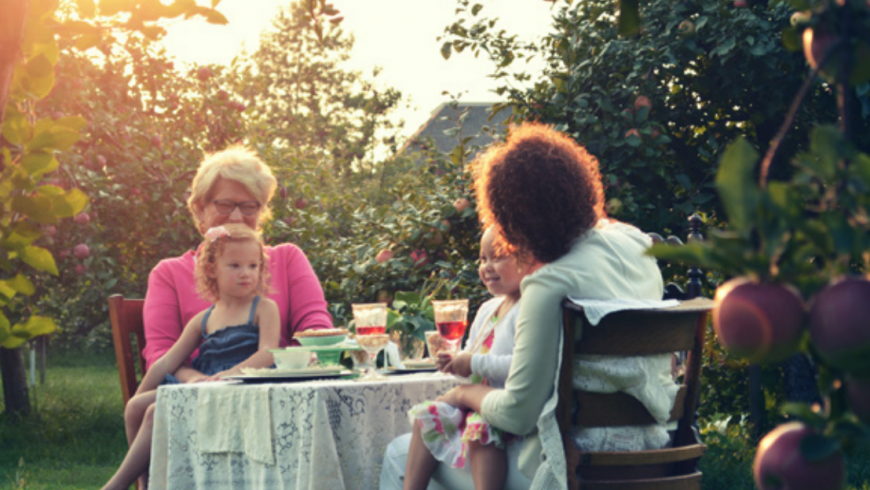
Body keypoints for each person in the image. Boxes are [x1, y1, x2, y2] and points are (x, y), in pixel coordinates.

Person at [380, 123, 672, 490]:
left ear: (515, 220)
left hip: (572, 464)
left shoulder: (549, 282)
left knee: (397, 454)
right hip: (654, 449)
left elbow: (518, 415)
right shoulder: (635, 243)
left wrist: (462, 393)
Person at [102, 224, 280, 490]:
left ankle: (115, 486)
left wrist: (228, 375)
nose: (246, 274)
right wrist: (140, 392)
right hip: (205, 388)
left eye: (253, 266)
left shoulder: (263, 308)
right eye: (235, 266)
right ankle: (144, 483)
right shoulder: (205, 318)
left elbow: (267, 352)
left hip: (243, 387)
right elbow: (167, 361)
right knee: (137, 407)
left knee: (154, 412)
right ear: (211, 270)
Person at [142, 146, 332, 383]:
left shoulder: (288, 258)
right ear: (200, 210)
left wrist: (286, 370)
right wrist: (199, 382)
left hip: (277, 388)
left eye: (249, 206)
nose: (236, 217)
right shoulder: (168, 273)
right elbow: (161, 354)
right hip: (198, 400)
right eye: (224, 205)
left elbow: (316, 331)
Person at [403, 227, 536, 490]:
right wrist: (455, 363)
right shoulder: (489, 309)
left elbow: (520, 365)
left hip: (502, 405)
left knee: (480, 433)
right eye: (482, 258)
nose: (487, 266)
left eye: (497, 256)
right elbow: (473, 363)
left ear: (529, 260)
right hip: (474, 401)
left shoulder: (528, 308)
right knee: (426, 416)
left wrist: (471, 362)